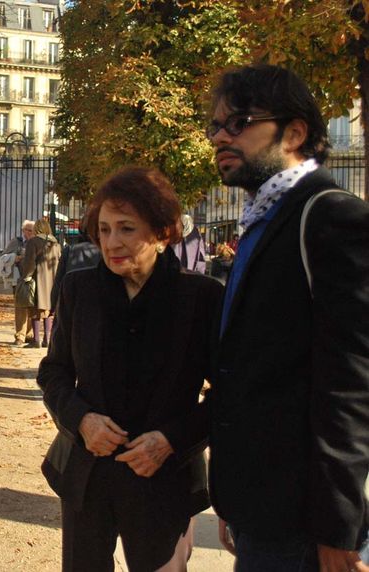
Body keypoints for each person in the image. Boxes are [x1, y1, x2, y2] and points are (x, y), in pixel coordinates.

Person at [206, 64, 369, 572]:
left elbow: (349, 384)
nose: (219, 137)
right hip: (261, 504)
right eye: (214, 125)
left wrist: (338, 525)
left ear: (294, 132)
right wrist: (234, 500)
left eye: (238, 122)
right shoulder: (264, 217)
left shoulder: (331, 216)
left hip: (304, 517)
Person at [37, 166, 223, 571]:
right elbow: (53, 373)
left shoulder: (202, 298)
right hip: (86, 478)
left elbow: (229, 392)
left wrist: (172, 440)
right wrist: (81, 421)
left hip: (165, 481)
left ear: (161, 233)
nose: (111, 242)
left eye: (126, 229)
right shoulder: (78, 290)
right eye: (103, 230)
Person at [20, 218, 61, 348]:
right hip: (53, 280)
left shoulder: (33, 242)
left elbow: (29, 262)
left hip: (38, 278)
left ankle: (36, 340)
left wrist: (26, 276)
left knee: (35, 309)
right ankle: (47, 340)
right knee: (48, 309)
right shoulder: (56, 243)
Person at [50, 218, 101, 315]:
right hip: (98, 303)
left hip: (72, 301)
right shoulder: (105, 252)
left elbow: (58, 281)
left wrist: (53, 305)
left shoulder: (69, 251)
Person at [2, 219, 35, 347]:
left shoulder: (36, 242)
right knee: (21, 306)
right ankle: (20, 336)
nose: (32, 233)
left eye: (34, 231)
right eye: (30, 231)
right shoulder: (16, 242)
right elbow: (4, 257)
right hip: (19, 279)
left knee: (32, 306)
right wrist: (15, 258)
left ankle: (29, 334)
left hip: (33, 279)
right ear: (24, 231)